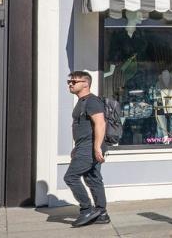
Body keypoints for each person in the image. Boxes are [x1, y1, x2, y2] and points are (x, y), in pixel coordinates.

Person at [64, 70, 109, 228]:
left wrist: (97, 147)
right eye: (69, 81)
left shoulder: (92, 101)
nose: (70, 84)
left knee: (71, 177)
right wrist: (76, 147)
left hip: (90, 147)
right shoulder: (82, 101)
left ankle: (87, 210)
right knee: (93, 178)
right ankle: (102, 213)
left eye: (74, 82)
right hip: (84, 146)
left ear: (85, 83)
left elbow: (100, 123)